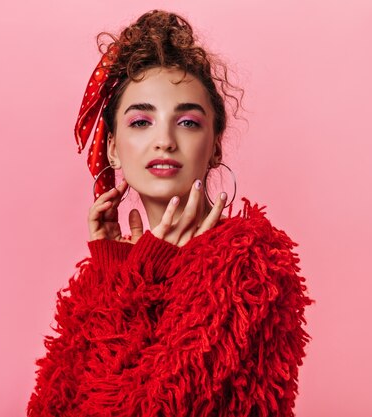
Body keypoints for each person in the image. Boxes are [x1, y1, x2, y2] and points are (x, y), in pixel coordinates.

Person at [27, 10, 314, 417]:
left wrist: (143, 272)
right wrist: (114, 272)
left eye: (187, 122)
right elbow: (51, 407)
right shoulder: (111, 272)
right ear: (112, 148)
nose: (164, 140)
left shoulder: (250, 262)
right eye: (142, 121)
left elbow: (150, 408)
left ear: (214, 147)